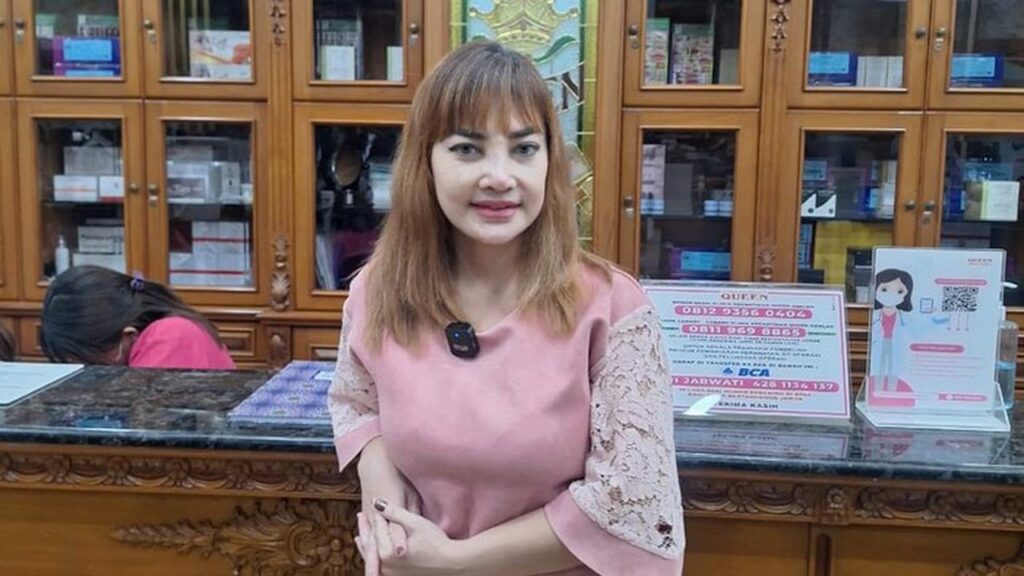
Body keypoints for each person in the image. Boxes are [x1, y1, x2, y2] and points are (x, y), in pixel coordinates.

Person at [328, 41, 683, 575]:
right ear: (425, 161)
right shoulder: (377, 292)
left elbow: (634, 507)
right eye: (467, 149)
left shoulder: (612, 308)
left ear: (550, 162)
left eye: (523, 149)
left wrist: (455, 562)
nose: (499, 176)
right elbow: (354, 400)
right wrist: (375, 465)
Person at [41, 265, 235, 370]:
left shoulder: (169, 335)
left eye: (90, 363)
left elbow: (147, 422)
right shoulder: (168, 327)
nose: (87, 370)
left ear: (129, 335)